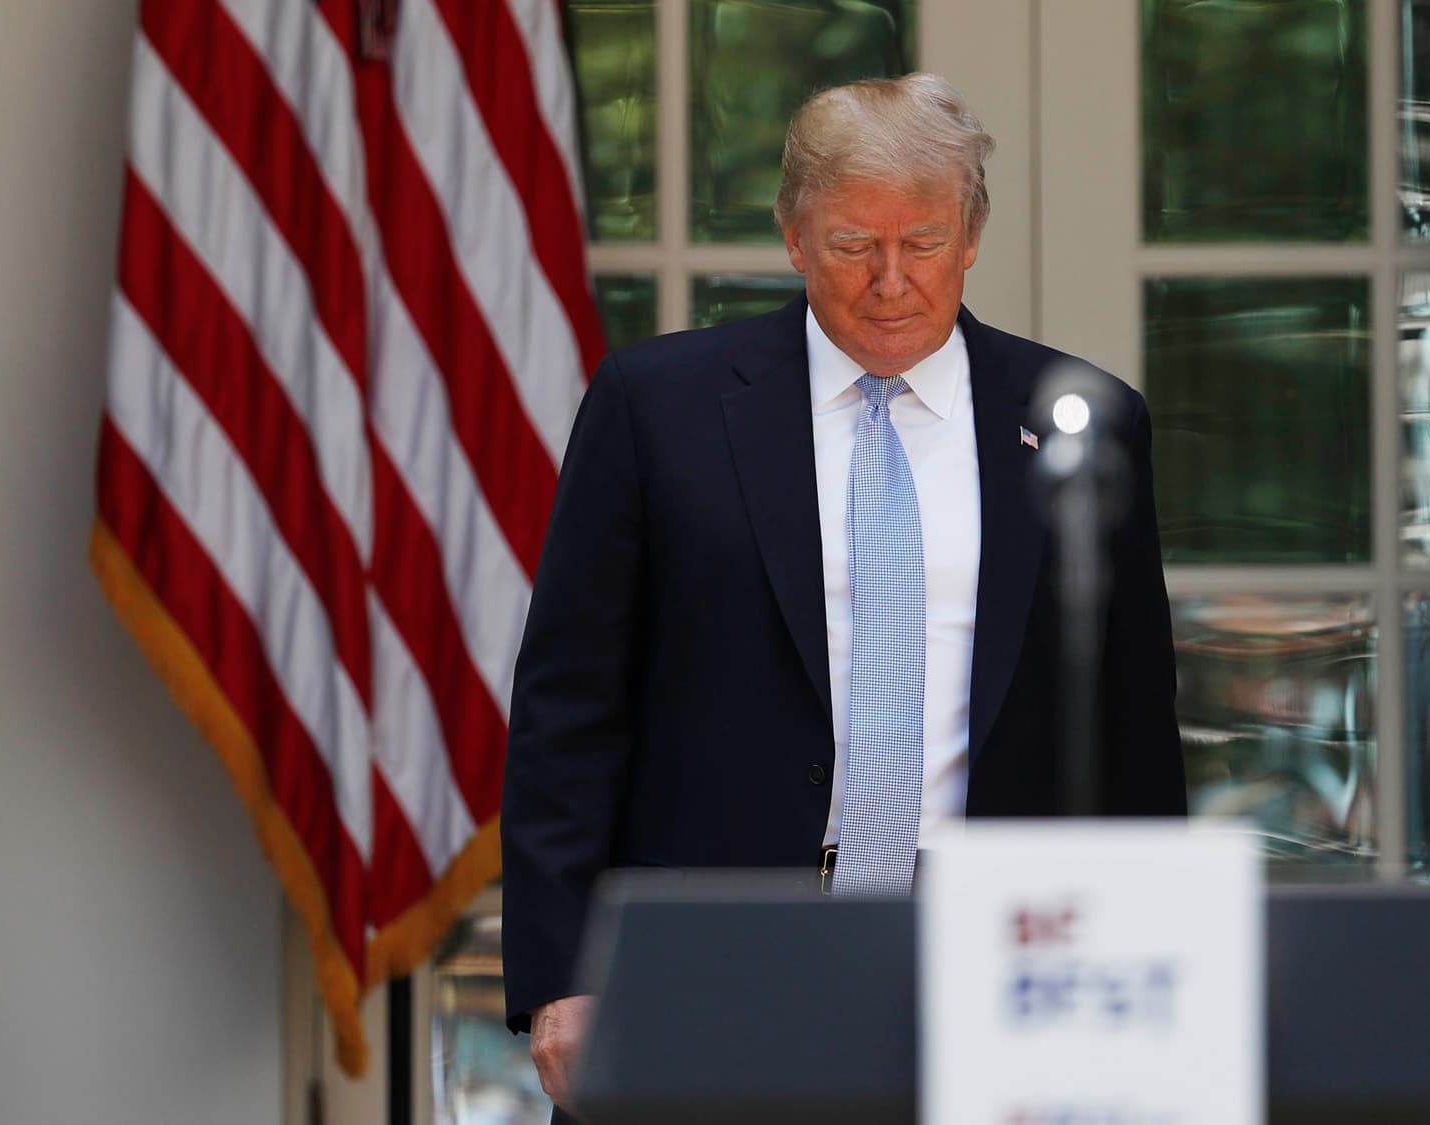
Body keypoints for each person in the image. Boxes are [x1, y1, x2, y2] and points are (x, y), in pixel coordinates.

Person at [500, 72, 1185, 1118]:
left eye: (921, 240)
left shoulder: (1084, 420)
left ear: (970, 236)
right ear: (791, 235)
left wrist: (1147, 984)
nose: (891, 280)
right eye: (852, 244)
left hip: (1000, 968)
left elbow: (1130, 734)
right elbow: (568, 713)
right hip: (708, 955)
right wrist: (560, 975)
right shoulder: (657, 407)